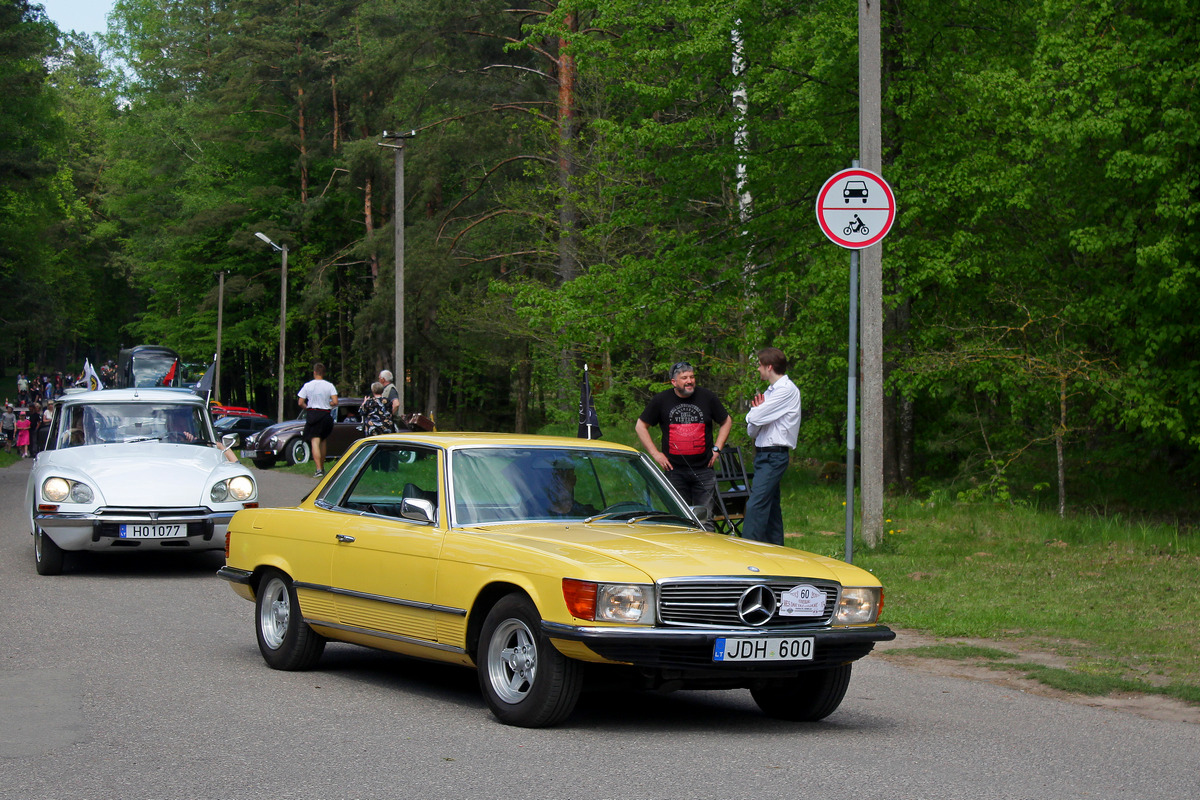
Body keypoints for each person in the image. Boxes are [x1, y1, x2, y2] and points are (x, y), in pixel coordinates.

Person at [635, 361, 732, 527]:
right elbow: (640, 426)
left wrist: (717, 449)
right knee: (679, 520)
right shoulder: (661, 400)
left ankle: (706, 551)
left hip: (704, 470)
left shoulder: (707, 397)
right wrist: (656, 454)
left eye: (692, 377)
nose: (690, 381)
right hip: (674, 471)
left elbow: (726, 421)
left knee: (705, 519)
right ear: (674, 382)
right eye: (684, 377)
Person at [741, 347, 802, 545]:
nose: (758, 369)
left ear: (769, 367)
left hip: (774, 455)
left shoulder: (786, 390)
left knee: (755, 505)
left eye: (759, 365)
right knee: (771, 508)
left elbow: (753, 417)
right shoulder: (770, 392)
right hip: (763, 455)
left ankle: (748, 550)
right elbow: (752, 430)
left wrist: (756, 412)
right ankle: (777, 551)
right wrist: (757, 414)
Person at [297, 362, 338, 478]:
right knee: (323, 440)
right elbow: (335, 402)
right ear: (323, 373)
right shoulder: (329, 385)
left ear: (314, 372)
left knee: (315, 441)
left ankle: (318, 469)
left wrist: (307, 408)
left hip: (313, 414)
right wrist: (327, 403)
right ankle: (322, 466)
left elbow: (300, 402)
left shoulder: (308, 385)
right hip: (325, 414)